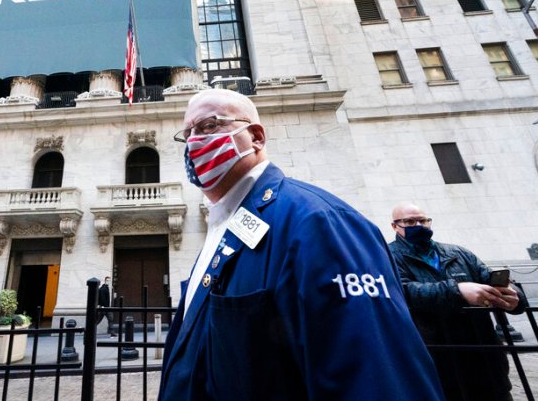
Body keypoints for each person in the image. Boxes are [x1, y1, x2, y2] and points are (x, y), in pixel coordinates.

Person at [158, 89, 444, 401]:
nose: (194, 142)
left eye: (209, 126)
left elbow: (374, 377)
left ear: (255, 137)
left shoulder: (319, 220)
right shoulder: (223, 226)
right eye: (187, 134)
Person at [389, 203, 528, 401]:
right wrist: (458, 291)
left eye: (423, 220)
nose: (418, 225)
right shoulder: (387, 256)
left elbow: (488, 277)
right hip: (434, 352)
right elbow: (403, 291)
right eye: (410, 221)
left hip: (482, 352)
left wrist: (515, 297)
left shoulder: (459, 253)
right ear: (394, 226)